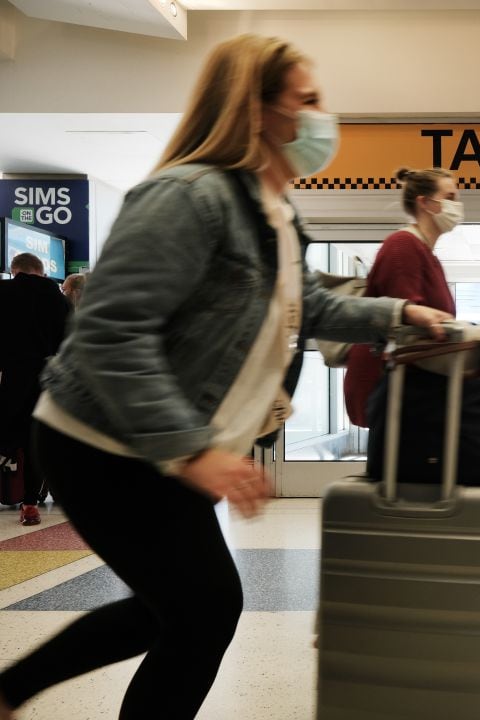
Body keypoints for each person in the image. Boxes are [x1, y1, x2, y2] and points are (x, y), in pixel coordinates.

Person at [0, 34, 450, 720]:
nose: (324, 117)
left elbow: (310, 306)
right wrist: (192, 448)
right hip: (102, 443)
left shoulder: (277, 212)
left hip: (163, 449)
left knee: (175, 610)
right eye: (308, 100)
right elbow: (112, 332)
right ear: (256, 109)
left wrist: (400, 312)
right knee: (204, 608)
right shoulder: (188, 196)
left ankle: (9, 690)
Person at [343, 167, 461, 427]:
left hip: (415, 386)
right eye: (450, 198)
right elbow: (407, 325)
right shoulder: (402, 246)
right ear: (425, 203)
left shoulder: (428, 256)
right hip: (392, 387)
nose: (457, 206)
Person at [0, 253, 70, 525]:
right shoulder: (57, 299)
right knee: (33, 442)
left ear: (14, 270)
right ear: (41, 272)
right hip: (44, 379)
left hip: (8, 376)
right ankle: (30, 504)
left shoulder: (3, 292)